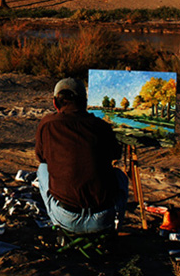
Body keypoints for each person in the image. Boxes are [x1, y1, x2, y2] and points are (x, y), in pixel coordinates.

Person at [35, 78, 128, 234]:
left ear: (55, 103)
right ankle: (117, 223)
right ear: (84, 102)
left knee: (42, 169)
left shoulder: (47, 124)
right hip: (103, 218)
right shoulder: (101, 126)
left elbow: (41, 157)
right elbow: (116, 154)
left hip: (66, 217)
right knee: (120, 175)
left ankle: (61, 224)